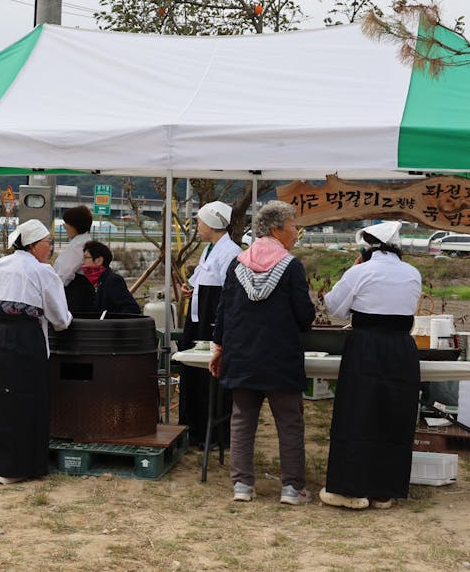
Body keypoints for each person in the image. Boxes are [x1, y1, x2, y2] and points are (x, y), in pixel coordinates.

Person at [208, 201, 315, 505]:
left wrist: (219, 349)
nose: (296, 232)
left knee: (242, 421)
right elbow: (304, 316)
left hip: (241, 355)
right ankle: (292, 488)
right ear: (276, 228)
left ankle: (242, 485)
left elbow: (224, 311)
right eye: (293, 225)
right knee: (289, 423)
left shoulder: (238, 263)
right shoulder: (291, 265)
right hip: (280, 357)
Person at [319, 221, 421, 510]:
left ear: (368, 247)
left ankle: (351, 490)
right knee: (394, 414)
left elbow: (334, 307)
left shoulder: (360, 271)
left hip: (366, 345)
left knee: (358, 412)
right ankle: (384, 491)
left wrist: (351, 274)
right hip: (402, 346)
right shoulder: (413, 273)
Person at [0, 219, 72, 485]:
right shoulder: (43, 271)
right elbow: (59, 317)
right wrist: (67, 320)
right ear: (35, 245)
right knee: (21, 399)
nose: (50, 248)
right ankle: (13, 467)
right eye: (48, 243)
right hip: (23, 338)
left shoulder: (1, 263)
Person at [178, 200, 242, 446]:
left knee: (209, 378)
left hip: (212, 319)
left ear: (212, 223)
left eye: (199, 221)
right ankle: (193, 428)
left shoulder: (231, 252)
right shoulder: (210, 249)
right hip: (197, 318)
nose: (197, 226)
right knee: (193, 375)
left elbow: (227, 290)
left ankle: (214, 433)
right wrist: (190, 289)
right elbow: (200, 280)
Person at [81, 240, 140, 315]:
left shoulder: (113, 280)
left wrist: (110, 321)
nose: (83, 262)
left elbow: (131, 309)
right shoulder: (89, 282)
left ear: (99, 260)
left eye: (86, 257)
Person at [54, 205, 95, 312]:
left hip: (75, 294)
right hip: (81, 292)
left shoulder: (78, 246)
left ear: (75, 226)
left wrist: (53, 292)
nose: (65, 227)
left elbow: (65, 273)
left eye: (66, 224)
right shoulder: (83, 241)